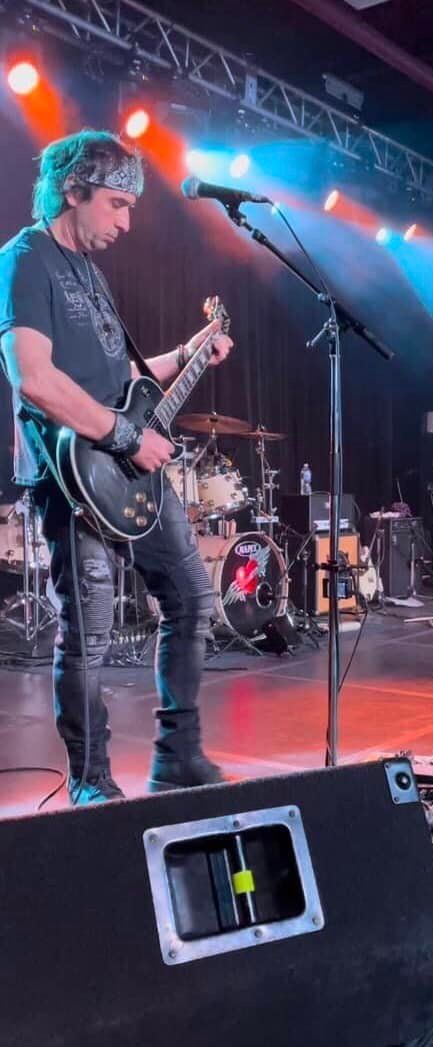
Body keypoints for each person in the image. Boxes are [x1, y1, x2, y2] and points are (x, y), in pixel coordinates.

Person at [0, 130, 234, 804]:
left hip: (126, 468)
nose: (127, 223)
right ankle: (91, 781)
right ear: (73, 191)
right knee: (89, 636)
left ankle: (178, 758)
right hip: (71, 476)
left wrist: (188, 353)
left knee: (192, 598)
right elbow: (33, 378)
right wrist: (129, 437)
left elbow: (124, 383)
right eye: (117, 205)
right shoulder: (24, 261)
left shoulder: (92, 274)